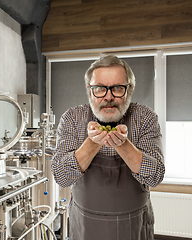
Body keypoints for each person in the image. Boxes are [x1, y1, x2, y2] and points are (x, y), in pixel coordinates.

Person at [51, 55, 165, 240]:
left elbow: (155, 175)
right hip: (85, 227)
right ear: (90, 90)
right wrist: (92, 144)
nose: (109, 97)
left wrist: (124, 146)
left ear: (130, 89)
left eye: (118, 88)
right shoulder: (72, 118)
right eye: (100, 89)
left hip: (134, 227)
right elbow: (61, 177)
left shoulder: (145, 118)